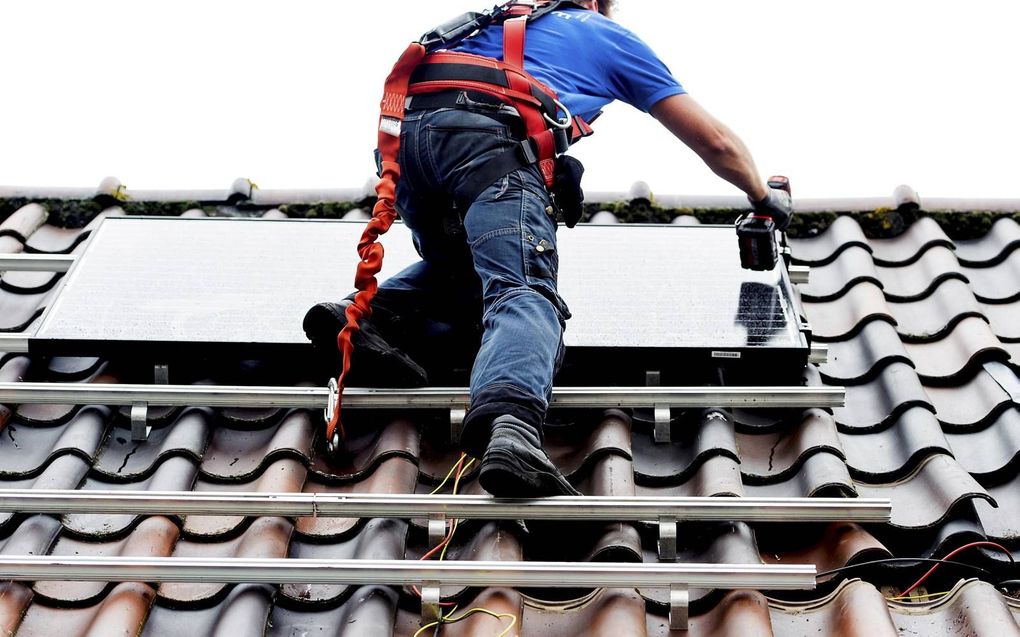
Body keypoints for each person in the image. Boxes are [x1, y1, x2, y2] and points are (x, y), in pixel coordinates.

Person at [305, 0, 792, 497]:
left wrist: (551, 167)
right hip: (484, 144)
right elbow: (714, 142)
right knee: (522, 289)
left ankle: (362, 316)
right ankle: (512, 433)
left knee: (465, 272)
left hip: (406, 148)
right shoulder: (605, 34)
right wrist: (762, 195)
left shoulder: (490, 24)